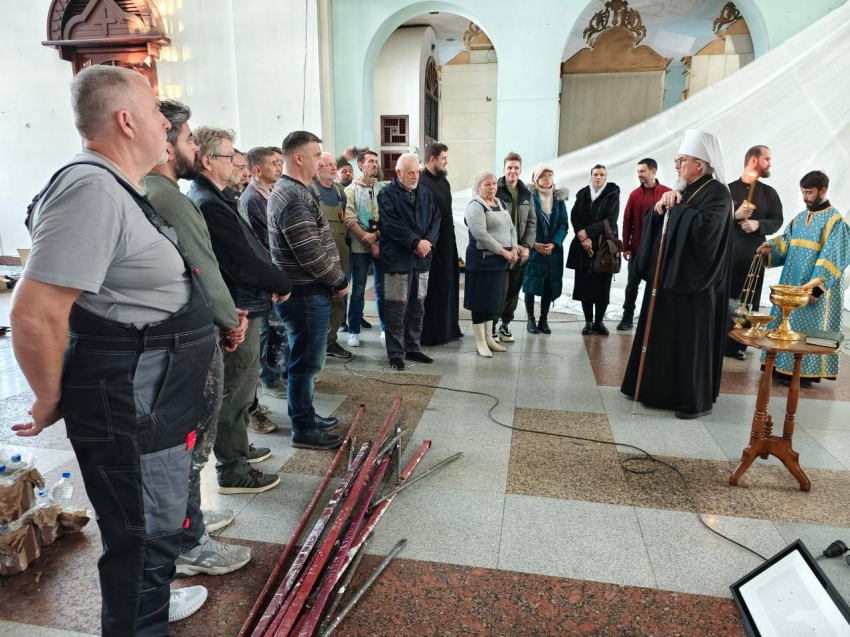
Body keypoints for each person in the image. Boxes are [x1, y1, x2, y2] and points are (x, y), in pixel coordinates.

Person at [12, 65, 211, 633]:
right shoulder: (90, 187)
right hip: (132, 403)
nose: (164, 125)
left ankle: (147, 603)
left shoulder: (117, 184)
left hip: (153, 398)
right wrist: (49, 396)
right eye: (154, 113)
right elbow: (34, 310)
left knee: (153, 527)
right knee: (142, 541)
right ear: (126, 120)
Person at [143, 99, 253, 578]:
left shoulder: (152, 189)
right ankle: (189, 542)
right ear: (168, 142)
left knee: (187, 443)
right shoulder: (166, 193)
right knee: (192, 440)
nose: (194, 147)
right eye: (189, 139)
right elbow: (201, 262)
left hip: (183, 331)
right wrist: (230, 320)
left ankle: (189, 520)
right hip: (189, 336)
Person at [189, 126, 292, 491]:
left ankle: (239, 448)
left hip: (249, 302)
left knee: (245, 386)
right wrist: (279, 282)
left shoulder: (220, 197)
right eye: (230, 156)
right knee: (234, 390)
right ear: (207, 160)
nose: (238, 162)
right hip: (239, 307)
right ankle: (232, 469)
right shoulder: (207, 201)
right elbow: (239, 260)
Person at [621, 129, 733, 419]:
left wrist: (677, 206)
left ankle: (689, 399)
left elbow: (705, 231)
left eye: (682, 160)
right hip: (667, 280)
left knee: (687, 343)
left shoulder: (718, 194)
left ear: (701, 164)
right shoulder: (685, 189)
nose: (677, 165)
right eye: (677, 160)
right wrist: (659, 210)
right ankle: (656, 392)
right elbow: (665, 223)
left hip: (694, 285)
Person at [267, 131, 349, 450]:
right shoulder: (292, 195)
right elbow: (309, 252)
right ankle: (302, 428)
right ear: (298, 157)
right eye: (316, 155)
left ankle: (306, 414)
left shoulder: (296, 190)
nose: (321, 160)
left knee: (307, 360)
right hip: (304, 293)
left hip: (308, 291)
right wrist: (338, 280)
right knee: (305, 363)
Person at [757, 171, 850, 386]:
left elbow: (833, 259)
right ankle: (779, 366)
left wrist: (815, 289)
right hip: (791, 283)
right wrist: (769, 247)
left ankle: (802, 373)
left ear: (823, 191)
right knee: (785, 325)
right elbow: (786, 242)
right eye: (803, 192)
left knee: (805, 330)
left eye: (809, 192)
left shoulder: (835, 222)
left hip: (812, 289)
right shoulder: (800, 218)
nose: (805, 197)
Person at [377, 153, 441, 369]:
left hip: (422, 260)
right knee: (396, 309)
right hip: (397, 261)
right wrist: (416, 242)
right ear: (398, 173)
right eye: (410, 173)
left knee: (418, 306)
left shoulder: (425, 192)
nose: (415, 176)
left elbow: (436, 218)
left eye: (417, 172)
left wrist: (428, 242)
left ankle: (413, 348)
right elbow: (391, 225)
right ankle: (396, 353)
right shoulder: (386, 194)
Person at [725, 145, 784, 360]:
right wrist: (734, 213)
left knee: (748, 299)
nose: (769, 163)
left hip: (753, 256)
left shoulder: (769, 193)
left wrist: (758, 224)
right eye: (766, 159)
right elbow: (714, 218)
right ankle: (720, 341)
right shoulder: (727, 190)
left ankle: (739, 344)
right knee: (726, 298)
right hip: (728, 254)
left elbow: (777, 220)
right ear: (753, 161)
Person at [243, 145, 289, 395]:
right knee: (269, 330)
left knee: (278, 329)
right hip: (266, 277)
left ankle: (278, 372)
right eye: (274, 163)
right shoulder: (251, 200)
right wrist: (273, 280)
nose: (279, 167)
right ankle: (270, 377)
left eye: (281, 162)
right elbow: (263, 244)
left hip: (276, 273)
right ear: (258, 169)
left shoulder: (269, 193)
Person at [464, 171, 519, 357]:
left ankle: (489, 339)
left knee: (492, 302)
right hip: (481, 262)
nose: (492, 187)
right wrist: (503, 251)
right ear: (479, 186)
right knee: (480, 302)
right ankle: (480, 341)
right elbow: (481, 235)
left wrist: (514, 248)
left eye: (494, 183)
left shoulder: (501, 203)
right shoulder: (475, 206)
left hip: (499, 264)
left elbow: (511, 227)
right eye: (487, 184)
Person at [617, 158, 671, 331]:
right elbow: (627, 221)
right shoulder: (634, 195)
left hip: (657, 251)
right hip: (637, 249)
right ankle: (627, 318)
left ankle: (651, 319)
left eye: (643, 171)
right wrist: (625, 247)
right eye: (638, 171)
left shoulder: (666, 193)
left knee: (654, 286)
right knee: (632, 285)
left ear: (653, 171)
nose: (639, 174)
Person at [566, 165, 620, 335]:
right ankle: (588, 322)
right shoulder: (582, 193)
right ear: (590, 176)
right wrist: (583, 236)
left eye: (601, 174)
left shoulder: (612, 194)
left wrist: (588, 232)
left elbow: (611, 220)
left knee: (602, 287)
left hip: (603, 246)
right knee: (585, 286)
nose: (598, 177)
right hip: (584, 246)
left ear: (605, 177)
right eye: (595, 174)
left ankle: (599, 322)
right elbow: (575, 216)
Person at [418, 142, 463, 346]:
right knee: (435, 288)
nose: (447, 161)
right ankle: (433, 333)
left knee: (448, 284)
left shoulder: (444, 182)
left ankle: (449, 328)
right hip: (432, 244)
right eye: (443, 158)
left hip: (448, 243)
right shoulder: (422, 182)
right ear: (432, 158)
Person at [310, 151, 353, 359]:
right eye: (329, 165)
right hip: (318, 253)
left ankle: (331, 340)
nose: (334, 168)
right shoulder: (310, 191)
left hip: (340, 252)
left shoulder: (340, 193)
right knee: (318, 298)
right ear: (318, 167)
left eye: (335, 164)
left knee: (339, 297)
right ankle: (317, 343)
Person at [344, 150, 386, 347]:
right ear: (361, 165)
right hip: (359, 247)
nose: (374, 164)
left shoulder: (383, 190)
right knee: (358, 289)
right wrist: (368, 240)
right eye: (370, 161)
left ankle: (385, 327)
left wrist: (377, 237)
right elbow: (350, 219)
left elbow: (388, 217)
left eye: (376, 161)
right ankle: (353, 330)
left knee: (382, 289)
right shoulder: (350, 190)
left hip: (382, 245)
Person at [523, 164, 569, 335]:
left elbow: (564, 224)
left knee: (549, 285)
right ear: (536, 179)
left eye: (550, 174)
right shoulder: (528, 197)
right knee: (530, 284)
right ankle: (530, 319)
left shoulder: (558, 199)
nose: (547, 178)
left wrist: (554, 243)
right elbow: (523, 223)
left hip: (552, 250)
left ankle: (543, 319)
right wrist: (533, 243)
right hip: (533, 249)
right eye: (543, 175)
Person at [494, 152, 535, 342]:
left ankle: (505, 325)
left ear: (520, 170)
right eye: (509, 167)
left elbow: (532, 223)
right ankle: (492, 325)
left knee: (513, 291)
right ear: (503, 169)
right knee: (498, 290)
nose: (512, 171)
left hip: (520, 253)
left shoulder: (527, 193)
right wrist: (506, 247)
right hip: (501, 251)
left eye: (516, 168)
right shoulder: (495, 190)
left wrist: (526, 246)